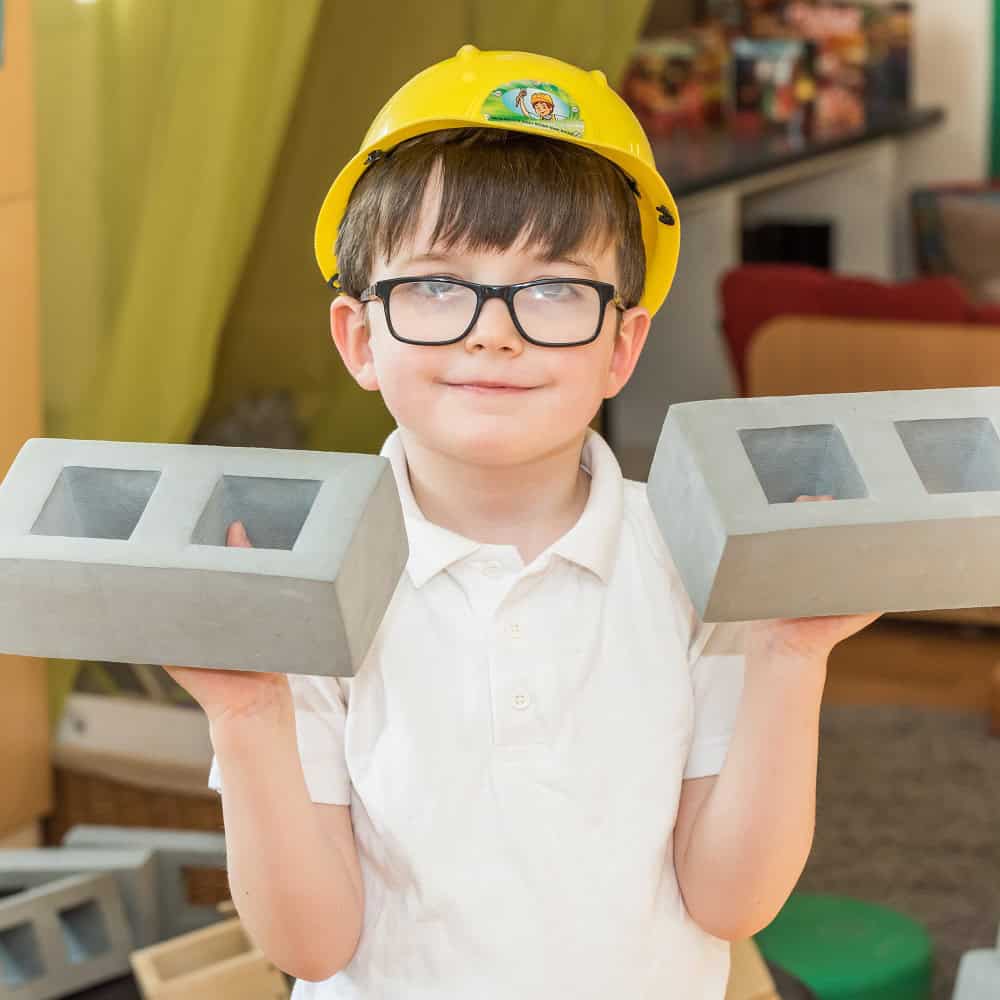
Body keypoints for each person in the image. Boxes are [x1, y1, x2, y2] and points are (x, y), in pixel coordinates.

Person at [165, 45, 879, 999]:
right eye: (434, 285)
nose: (491, 329)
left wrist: (793, 656)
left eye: (552, 289)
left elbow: (731, 901)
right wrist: (245, 714)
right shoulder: (305, 579)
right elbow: (312, 944)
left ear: (622, 344)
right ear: (359, 337)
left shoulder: (696, 557)